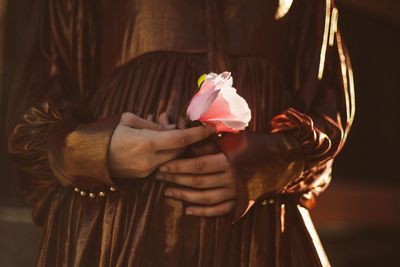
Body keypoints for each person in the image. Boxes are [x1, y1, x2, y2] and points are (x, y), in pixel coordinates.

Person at [5, 0, 355, 266]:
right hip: (116, 221)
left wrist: (279, 160)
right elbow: (33, 101)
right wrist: (93, 151)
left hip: (261, 231)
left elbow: (327, 101)